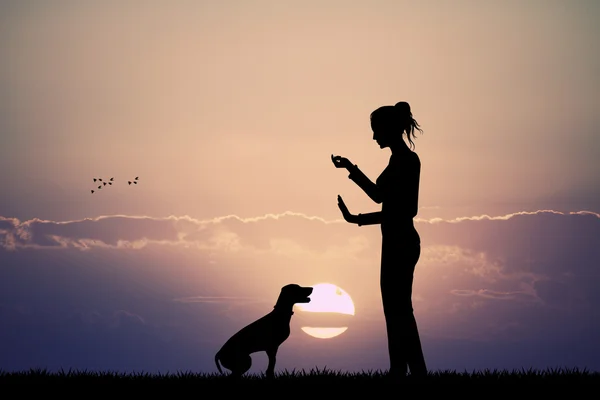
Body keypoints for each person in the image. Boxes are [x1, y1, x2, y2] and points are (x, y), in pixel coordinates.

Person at [331, 101, 427, 380]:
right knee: (394, 311)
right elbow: (379, 196)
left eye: (376, 130)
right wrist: (350, 169)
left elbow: (407, 210)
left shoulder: (408, 161)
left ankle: (412, 371)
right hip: (394, 242)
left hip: (403, 243)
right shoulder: (397, 161)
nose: (374, 137)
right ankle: (401, 369)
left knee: (400, 311)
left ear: (389, 129)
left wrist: (357, 219)